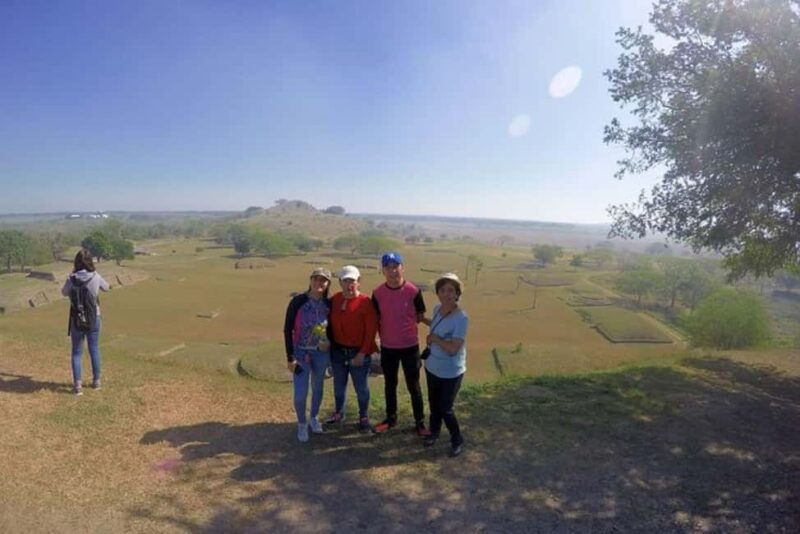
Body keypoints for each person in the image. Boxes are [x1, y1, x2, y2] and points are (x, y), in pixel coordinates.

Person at [371, 251, 429, 436]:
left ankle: (420, 422)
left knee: (414, 386)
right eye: (388, 268)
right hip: (388, 348)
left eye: (395, 267)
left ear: (402, 268)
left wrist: (444, 323)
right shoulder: (377, 293)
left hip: (410, 346)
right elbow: (375, 319)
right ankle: (391, 418)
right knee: (390, 384)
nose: (392, 271)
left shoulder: (413, 291)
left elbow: (420, 316)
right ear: (383, 271)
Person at [325, 265, 379, 433]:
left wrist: (362, 353)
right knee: (339, 386)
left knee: (361, 388)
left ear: (359, 282)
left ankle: (363, 416)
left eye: (353, 281)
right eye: (346, 280)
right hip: (338, 352)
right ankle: (339, 413)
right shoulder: (335, 299)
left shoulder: (365, 302)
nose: (350, 285)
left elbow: (371, 331)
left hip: (358, 353)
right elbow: (324, 322)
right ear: (340, 282)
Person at [283, 267, 332, 442]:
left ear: (328, 284)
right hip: (301, 354)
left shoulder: (329, 304)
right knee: (300, 395)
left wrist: (329, 342)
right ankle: (302, 423)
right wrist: (290, 357)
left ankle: (314, 418)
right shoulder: (298, 301)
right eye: (316, 279)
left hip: (321, 354)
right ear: (310, 280)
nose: (319, 283)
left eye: (323, 280)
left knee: (318, 389)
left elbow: (333, 329)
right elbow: (287, 329)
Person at [422, 273, 468, 457]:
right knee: (434, 405)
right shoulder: (436, 309)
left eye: (451, 290)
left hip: (451, 371)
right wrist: (422, 319)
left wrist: (435, 339)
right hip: (432, 367)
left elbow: (453, 349)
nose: (446, 294)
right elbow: (437, 325)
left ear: (457, 294)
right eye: (442, 290)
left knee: (446, 408)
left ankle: (457, 439)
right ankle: (434, 433)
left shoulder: (461, 318)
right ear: (438, 293)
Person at [61, 249, 111, 396]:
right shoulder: (95, 276)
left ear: (76, 262)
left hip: (76, 318)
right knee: (94, 349)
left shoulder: (72, 278)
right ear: (90, 262)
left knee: (77, 352)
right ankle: (96, 382)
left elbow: (63, 292)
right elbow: (107, 287)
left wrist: (71, 276)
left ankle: (78, 386)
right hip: (94, 317)